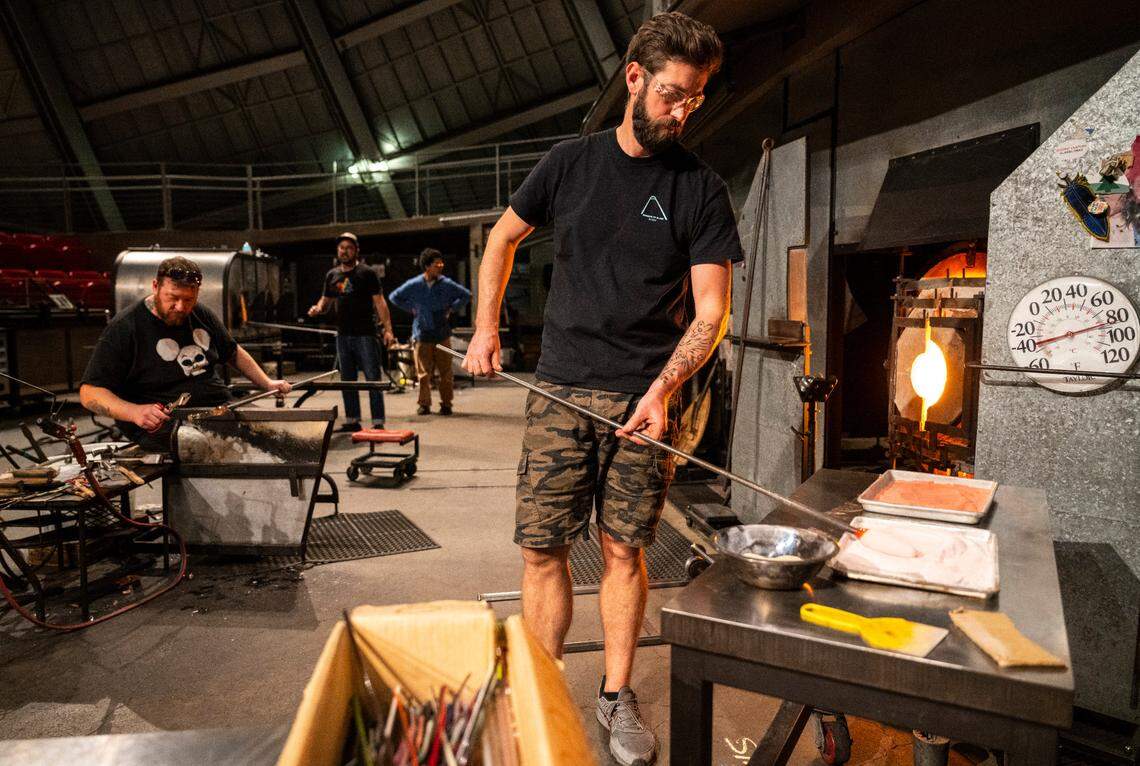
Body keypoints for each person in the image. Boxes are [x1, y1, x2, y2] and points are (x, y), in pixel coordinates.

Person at [462, 12, 741, 766]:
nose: (682, 111)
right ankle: (543, 690)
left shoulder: (700, 190)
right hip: (558, 389)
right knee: (542, 549)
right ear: (634, 79)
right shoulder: (569, 163)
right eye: (672, 95)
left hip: (643, 398)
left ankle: (616, 694)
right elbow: (501, 239)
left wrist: (664, 391)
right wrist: (486, 327)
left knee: (624, 550)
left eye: (695, 99)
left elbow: (711, 312)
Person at [80, 257, 291, 450]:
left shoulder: (200, 313)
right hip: (164, 421)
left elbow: (232, 351)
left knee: (274, 431)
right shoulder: (126, 327)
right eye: (173, 297)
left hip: (217, 407)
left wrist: (267, 383)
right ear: (155, 287)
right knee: (200, 445)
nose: (181, 307)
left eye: (189, 299)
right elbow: (89, 393)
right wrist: (134, 412)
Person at [307, 232, 396, 431]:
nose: (344, 251)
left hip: (365, 333)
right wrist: (318, 308)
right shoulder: (332, 275)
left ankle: (378, 422)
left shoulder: (367, 273)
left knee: (373, 378)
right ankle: (353, 420)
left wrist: (388, 330)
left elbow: (380, 303)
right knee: (347, 379)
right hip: (343, 335)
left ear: (356, 250)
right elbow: (326, 300)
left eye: (348, 247)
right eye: (341, 248)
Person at [388, 248, 472, 415]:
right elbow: (394, 296)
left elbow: (466, 295)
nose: (440, 267)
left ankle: (446, 404)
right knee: (423, 374)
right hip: (422, 334)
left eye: (441, 264)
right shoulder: (415, 284)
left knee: (445, 373)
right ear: (427, 266)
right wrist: (411, 308)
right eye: (436, 264)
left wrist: (452, 308)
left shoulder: (446, 284)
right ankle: (424, 404)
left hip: (442, 334)